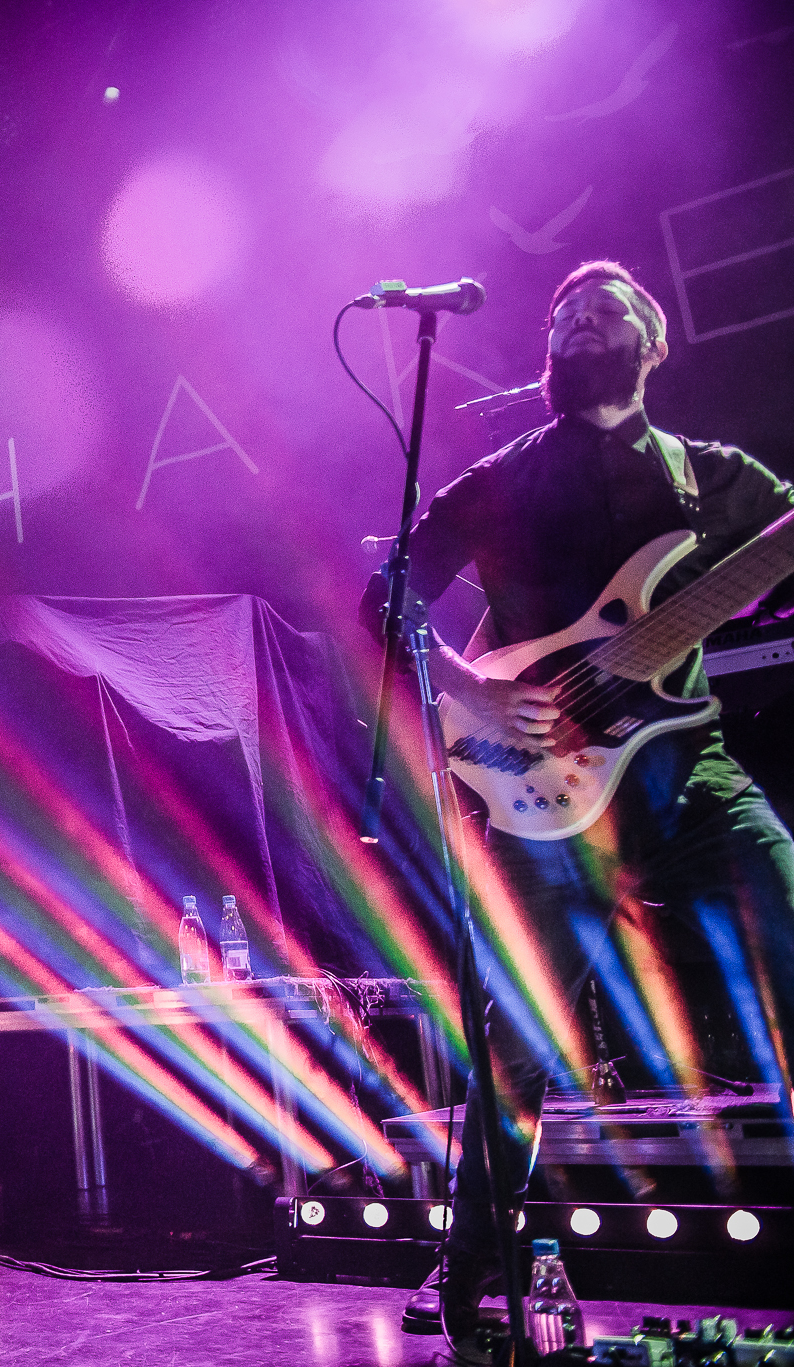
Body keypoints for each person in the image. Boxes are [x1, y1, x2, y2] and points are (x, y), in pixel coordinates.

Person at [362, 261, 794, 1363]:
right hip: (542, 798)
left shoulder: (710, 478)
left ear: (653, 344)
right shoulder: (495, 480)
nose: (581, 324)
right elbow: (387, 595)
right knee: (518, 1044)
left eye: (606, 313)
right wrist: (470, 688)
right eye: (564, 316)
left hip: (687, 774)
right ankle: (470, 1270)